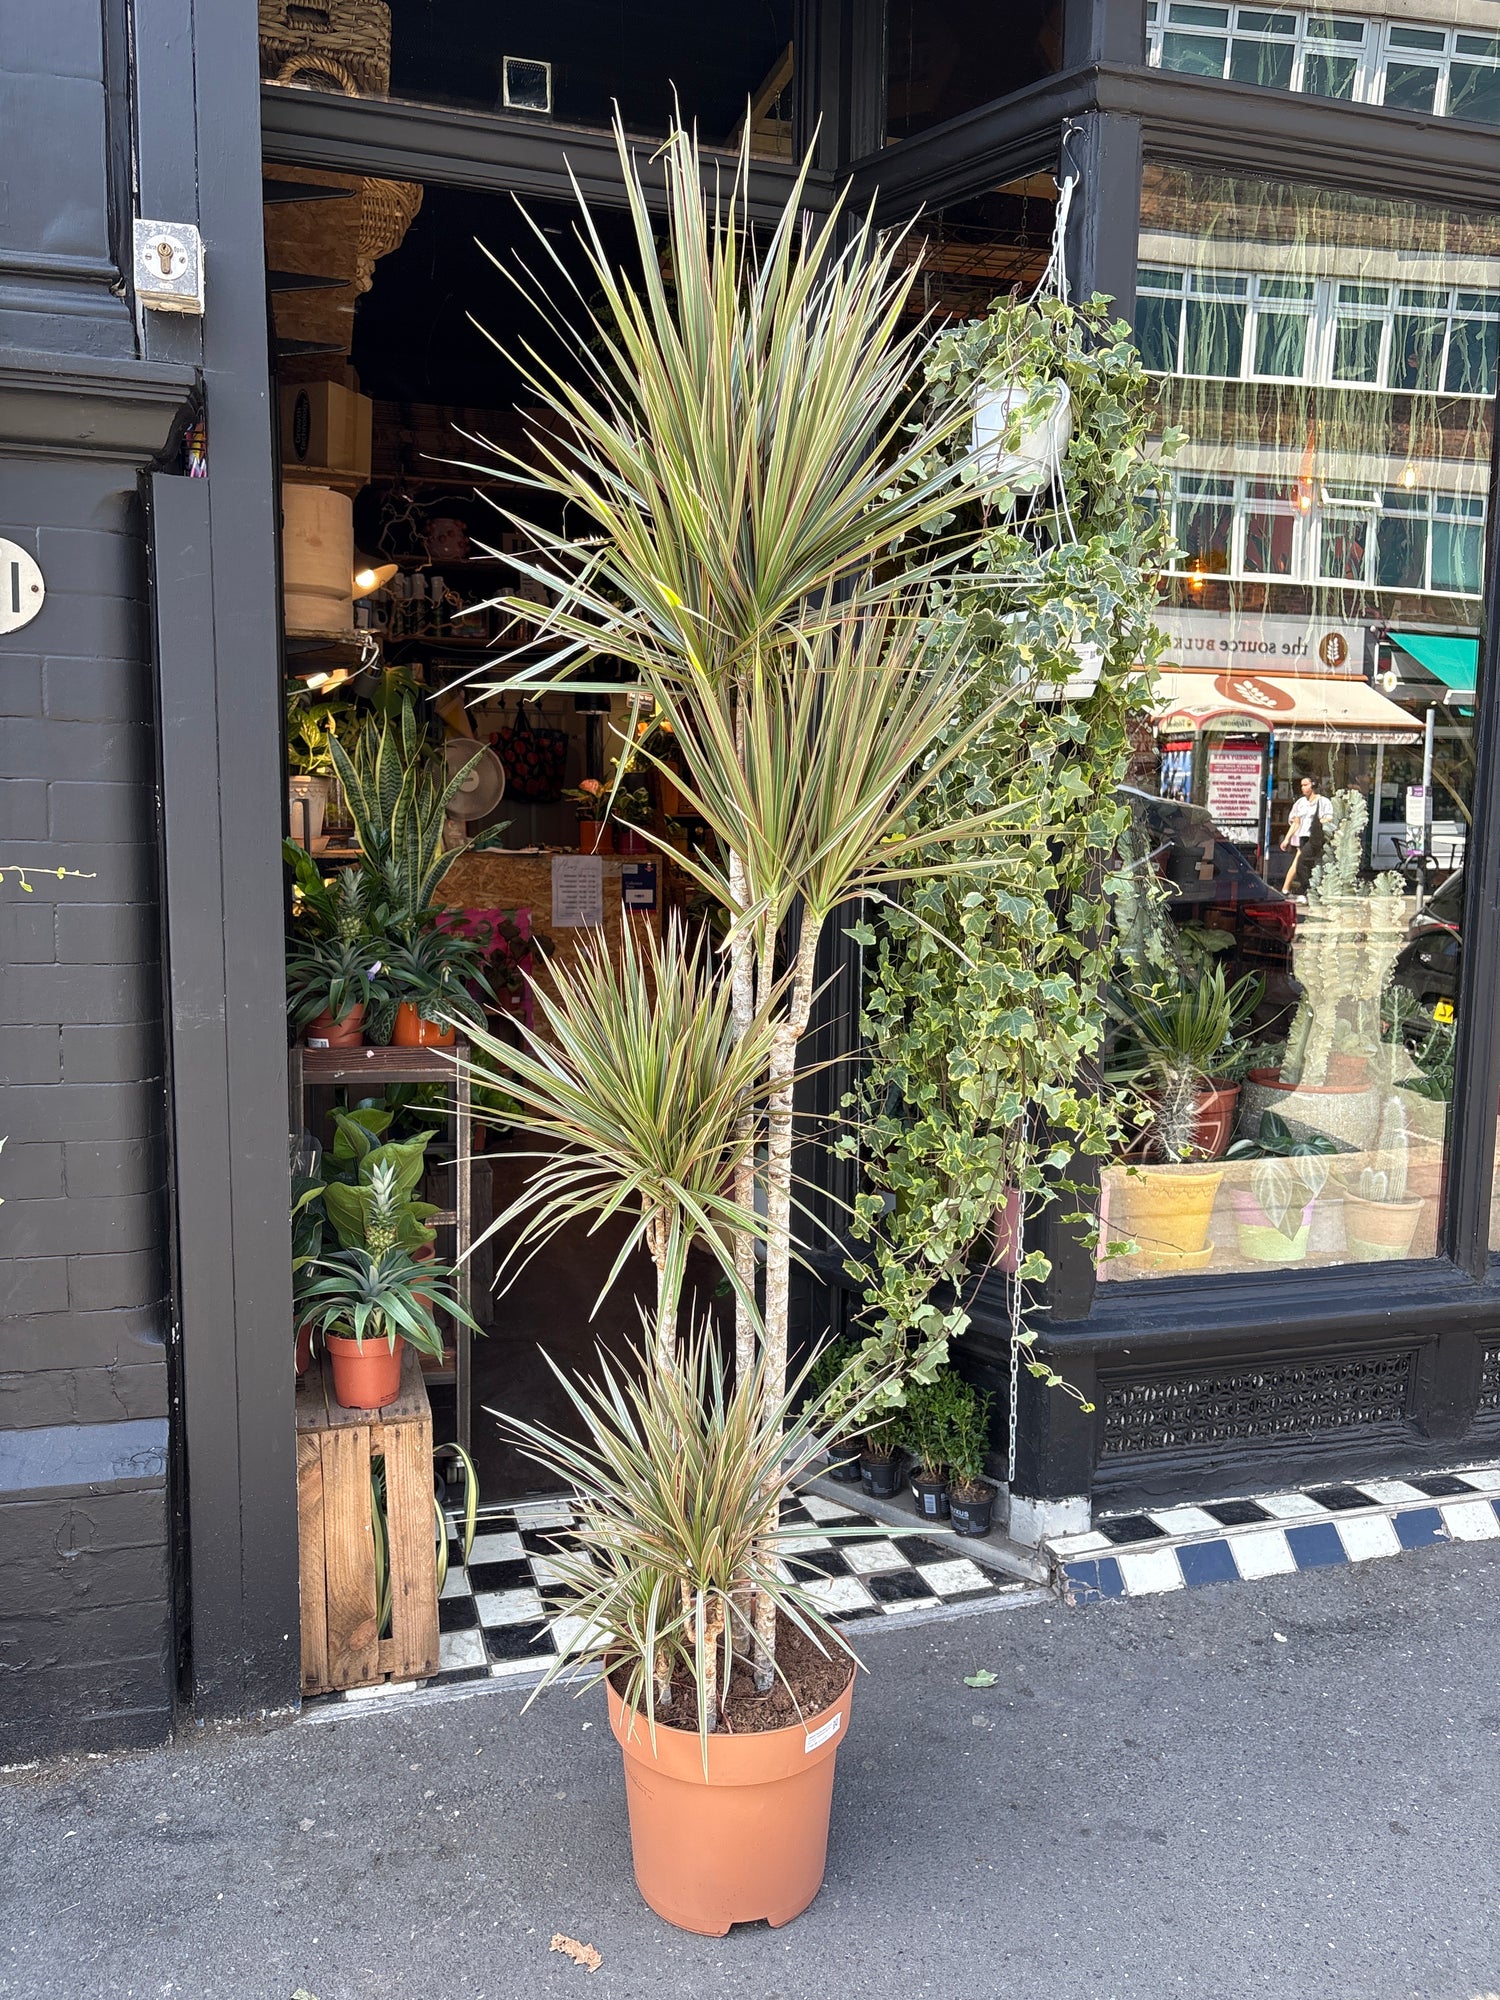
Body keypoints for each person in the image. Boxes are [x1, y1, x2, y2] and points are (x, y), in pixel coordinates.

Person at [1280, 775, 1333, 896]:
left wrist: (1319, 822)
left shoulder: (1323, 801)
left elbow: (1329, 817)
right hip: (1303, 836)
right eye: (1302, 786)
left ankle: (1305, 888)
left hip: (1315, 837)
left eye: (1305, 785)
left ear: (1313, 785)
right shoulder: (1301, 802)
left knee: (1301, 862)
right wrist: (1287, 839)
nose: (1303, 788)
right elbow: (1296, 822)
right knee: (1298, 863)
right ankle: (1286, 889)